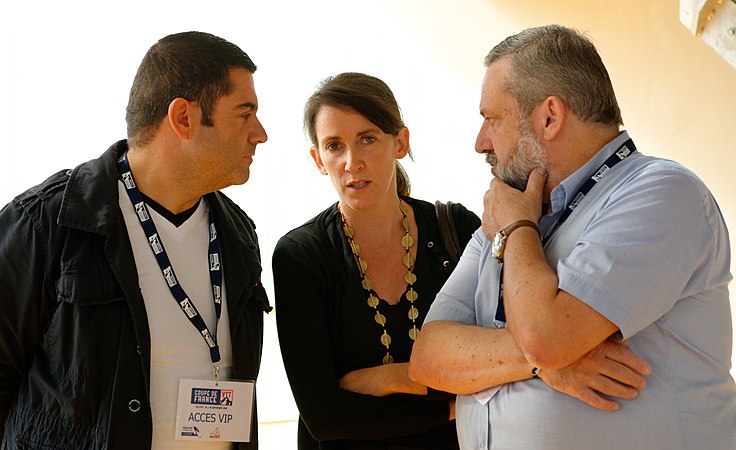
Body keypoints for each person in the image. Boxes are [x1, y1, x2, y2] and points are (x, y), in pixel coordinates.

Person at [409, 24, 736, 449]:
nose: (480, 142)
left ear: (549, 116)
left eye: (492, 119)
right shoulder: (512, 208)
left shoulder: (661, 192)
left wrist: (516, 231)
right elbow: (429, 357)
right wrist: (541, 365)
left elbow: (547, 338)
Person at [0, 31, 271, 449]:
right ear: (184, 118)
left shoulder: (238, 234)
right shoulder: (48, 222)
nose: (260, 133)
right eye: (244, 113)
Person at [272, 72, 480, 449]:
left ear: (400, 142)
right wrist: (455, 402)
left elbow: (500, 358)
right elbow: (325, 416)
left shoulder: (457, 229)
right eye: (335, 146)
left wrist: (395, 378)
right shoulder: (301, 255)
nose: (353, 162)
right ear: (318, 159)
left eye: (367, 139)